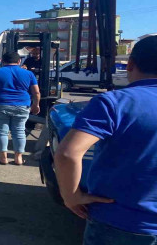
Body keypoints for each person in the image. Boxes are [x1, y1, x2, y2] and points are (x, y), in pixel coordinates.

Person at [54, 36, 157, 245]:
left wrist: (71, 196)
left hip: (122, 223)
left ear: (130, 64)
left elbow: (67, 154)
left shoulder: (114, 102)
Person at [0, 51, 40, 165]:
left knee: (1, 131)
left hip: (0, 105)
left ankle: (3, 157)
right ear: (19, 61)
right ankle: (18, 158)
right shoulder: (28, 74)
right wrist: (36, 104)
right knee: (19, 131)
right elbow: (36, 92)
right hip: (22, 105)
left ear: (3, 61)